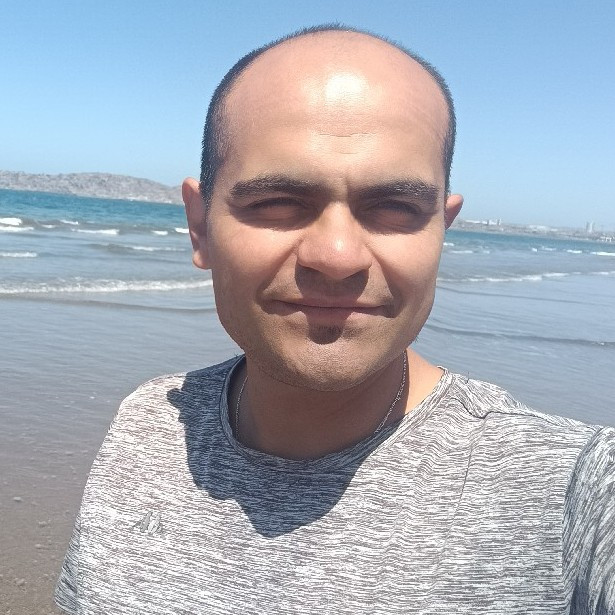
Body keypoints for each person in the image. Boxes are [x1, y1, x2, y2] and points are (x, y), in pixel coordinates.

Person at [56, 25, 614, 614]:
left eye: (396, 208)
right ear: (200, 228)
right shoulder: (147, 424)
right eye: (277, 203)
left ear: (440, 231)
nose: (338, 257)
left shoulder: (575, 490)